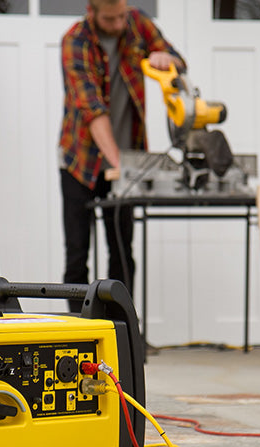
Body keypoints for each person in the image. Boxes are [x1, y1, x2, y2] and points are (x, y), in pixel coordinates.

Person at [58, 0, 185, 311]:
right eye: (110, 19)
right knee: (77, 254)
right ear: (92, 11)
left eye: (121, 17)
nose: (118, 24)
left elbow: (180, 63)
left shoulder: (137, 23)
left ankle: (122, 333)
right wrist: (121, 165)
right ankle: (80, 334)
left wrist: (165, 57)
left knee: (122, 253)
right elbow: (92, 108)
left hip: (126, 158)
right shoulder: (75, 41)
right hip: (81, 161)